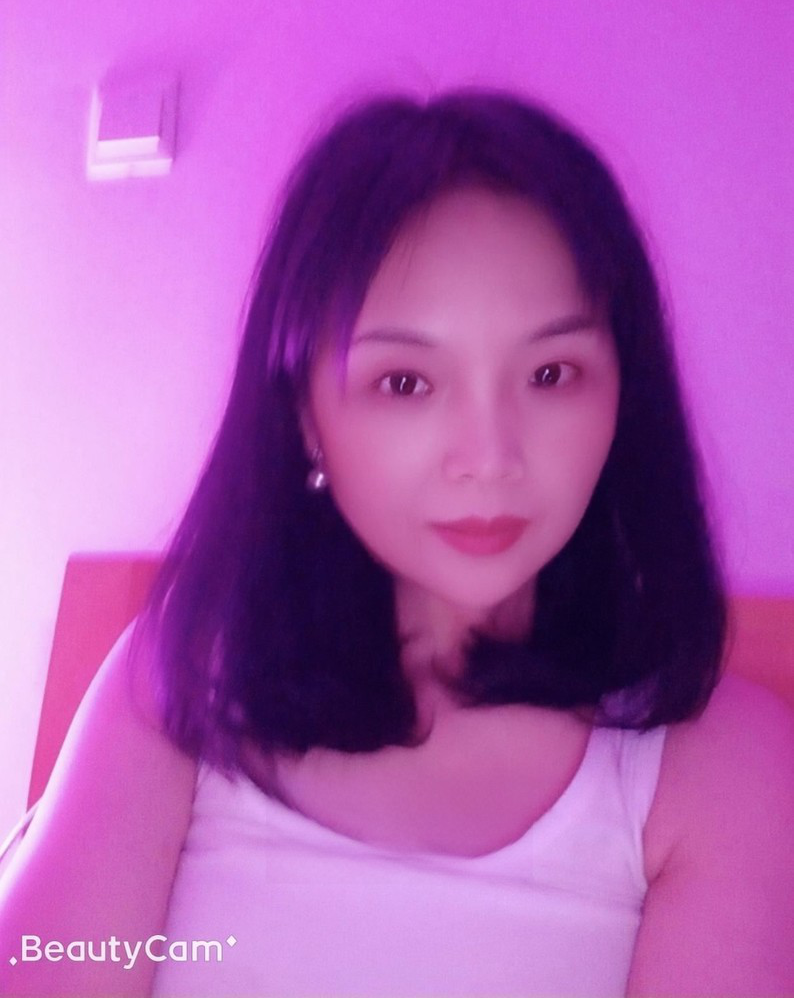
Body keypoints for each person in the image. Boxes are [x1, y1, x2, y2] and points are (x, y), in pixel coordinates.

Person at [1, 88, 793, 998]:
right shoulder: (184, 678)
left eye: (550, 373)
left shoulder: (721, 762)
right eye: (407, 382)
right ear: (306, 418)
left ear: (623, 398)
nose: (489, 457)